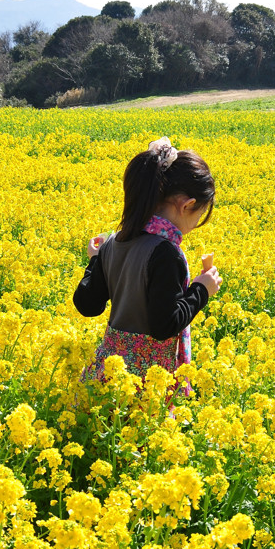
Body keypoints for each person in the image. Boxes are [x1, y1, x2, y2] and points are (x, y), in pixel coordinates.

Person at [73, 136, 222, 382]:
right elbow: (164, 325)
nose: (196, 224)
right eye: (200, 215)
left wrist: (96, 262)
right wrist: (201, 290)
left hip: (105, 379)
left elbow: (87, 305)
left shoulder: (114, 242)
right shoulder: (165, 253)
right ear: (187, 205)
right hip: (143, 387)